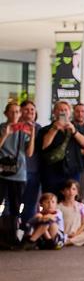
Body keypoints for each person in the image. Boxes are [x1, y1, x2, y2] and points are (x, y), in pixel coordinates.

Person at [0, 101, 36, 248]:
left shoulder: (23, 130)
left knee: (15, 206)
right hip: (2, 172)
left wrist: (32, 135)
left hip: (19, 172)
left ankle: (12, 235)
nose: (15, 114)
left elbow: (29, 153)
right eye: (12, 111)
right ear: (6, 113)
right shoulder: (2, 128)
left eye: (17, 112)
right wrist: (5, 134)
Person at [38, 101, 84, 203]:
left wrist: (74, 132)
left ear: (70, 113)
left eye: (65, 110)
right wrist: (54, 129)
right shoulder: (45, 129)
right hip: (51, 171)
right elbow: (44, 146)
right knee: (50, 200)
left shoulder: (77, 128)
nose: (63, 112)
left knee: (71, 200)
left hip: (72, 170)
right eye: (60, 109)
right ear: (54, 112)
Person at [19, 100, 40, 227]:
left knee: (31, 204)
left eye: (32, 109)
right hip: (16, 171)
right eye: (26, 109)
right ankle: (8, 231)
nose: (30, 112)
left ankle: (27, 231)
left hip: (34, 170)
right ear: (20, 112)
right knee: (12, 203)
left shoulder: (39, 128)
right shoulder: (14, 127)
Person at [56, 179, 84, 247]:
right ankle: (77, 241)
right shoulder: (58, 207)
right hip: (64, 232)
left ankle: (68, 242)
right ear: (63, 192)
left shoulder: (81, 206)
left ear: (77, 192)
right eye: (68, 189)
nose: (71, 192)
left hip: (76, 233)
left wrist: (76, 234)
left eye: (73, 189)